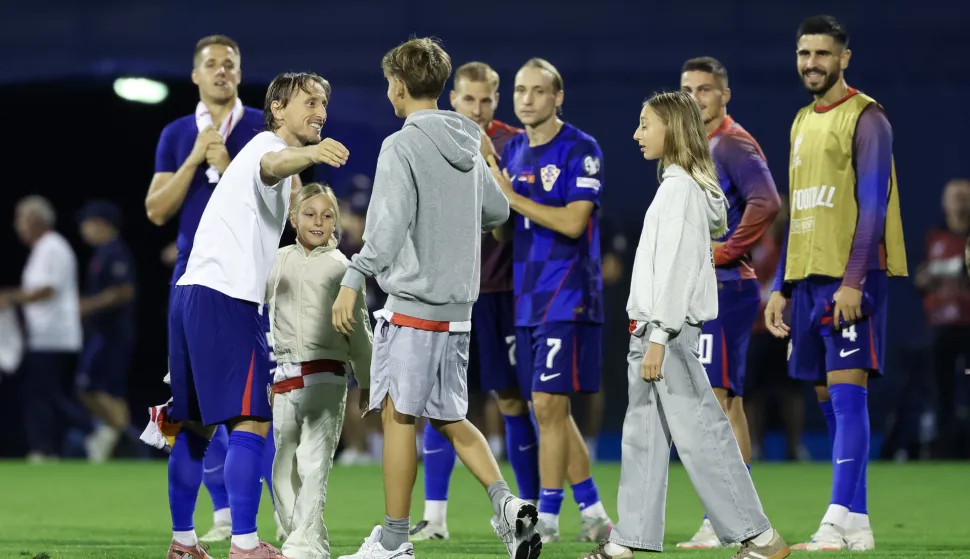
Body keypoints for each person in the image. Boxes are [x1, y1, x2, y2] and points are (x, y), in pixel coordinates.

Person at [331, 37, 540, 559]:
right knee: (449, 416)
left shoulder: (401, 144)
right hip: (460, 314)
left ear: (398, 86)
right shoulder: (469, 138)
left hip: (414, 308)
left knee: (399, 416)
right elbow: (498, 211)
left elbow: (384, 229)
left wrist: (354, 278)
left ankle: (395, 541)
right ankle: (508, 506)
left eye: (388, 85)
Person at [578, 91, 790, 559]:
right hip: (652, 335)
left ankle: (761, 538)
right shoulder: (681, 186)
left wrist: (658, 338)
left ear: (671, 129)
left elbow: (674, 272)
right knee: (643, 441)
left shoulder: (679, 192)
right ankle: (627, 540)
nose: (637, 134)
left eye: (645, 124)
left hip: (664, 336)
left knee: (702, 439)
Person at [164, 71, 349, 559]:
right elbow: (273, 163)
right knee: (251, 422)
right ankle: (245, 545)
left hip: (191, 294)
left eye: (324, 104)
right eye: (310, 101)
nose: (321, 112)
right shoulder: (264, 145)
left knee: (195, 427)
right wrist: (311, 153)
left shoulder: (279, 166)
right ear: (278, 108)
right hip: (227, 298)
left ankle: (184, 542)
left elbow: (288, 195)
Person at [764, 15, 907, 552]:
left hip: (852, 278)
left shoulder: (867, 119)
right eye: (804, 54)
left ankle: (835, 519)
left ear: (844, 58)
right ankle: (859, 522)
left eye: (823, 55)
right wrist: (780, 284)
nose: (812, 64)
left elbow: (873, 207)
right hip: (805, 280)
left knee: (849, 398)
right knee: (827, 397)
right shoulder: (801, 121)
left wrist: (853, 281)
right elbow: (797, 208)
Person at [146, 34, 284, 544]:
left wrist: (227, 164)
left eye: (231, 64)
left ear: (240, 73)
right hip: (196, 278)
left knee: (225, 409)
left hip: (245, 277)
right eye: (212, 64)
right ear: (196, 76)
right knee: (226, 410)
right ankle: (234, 525)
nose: (222, 71)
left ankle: (199, 536)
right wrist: (195, 158)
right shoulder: (178, 132)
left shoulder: (258, 129)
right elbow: (156, 210)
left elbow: (277, 211)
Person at [411, 60, 537, 542]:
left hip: (500, 289)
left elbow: (503, 229)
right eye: (468, 100)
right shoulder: (432, 136)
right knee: (435, 402)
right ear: (452, 98)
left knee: (509, 398)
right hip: (446, 291)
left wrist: (487, 161)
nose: (477, 110)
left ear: (496, 100)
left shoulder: (511, 144)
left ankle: (531, 515)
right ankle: (435, 519)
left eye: (486, 100)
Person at [488, 57, 613, 543]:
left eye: (538, 91)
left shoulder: (581, 149)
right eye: (520, 90)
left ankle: (550, 517)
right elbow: (504, 233)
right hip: (526, 300)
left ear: (557, 97)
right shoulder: (514, 151)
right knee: (548, 410)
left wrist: (511, 197)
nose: (526, 99)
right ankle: (594, 510)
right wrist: (494, 200)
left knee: (546, 403)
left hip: (568, 295)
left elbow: (573, 222)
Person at [676, 57, 782, 549]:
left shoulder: (733, 143)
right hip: (709, 287)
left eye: (704, 89)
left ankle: (722, 521)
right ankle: (734, 519)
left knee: (715, 402)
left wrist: (724, 251)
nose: (695, 97)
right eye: (687, 88)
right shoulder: (697, 147)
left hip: (726, 287)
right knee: (727, 402)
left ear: (725, 95)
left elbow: (766, 201)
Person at [267, 183, 373, 559]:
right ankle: (308, 539)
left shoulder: (344, 268)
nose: (318, 221)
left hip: (326, 375)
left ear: (336, 224)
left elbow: (359, 329)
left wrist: (370, 380)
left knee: (313, 464)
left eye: (327, 215)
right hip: (283, 376)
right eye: (309, 214)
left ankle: (302, 546)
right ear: (293, 218)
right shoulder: (276, 261)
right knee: (281, 468)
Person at [0, 196, 86, 463]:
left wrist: (11, 297)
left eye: (21, 220)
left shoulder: (52, 247)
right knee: (41, 395)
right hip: (42, 336)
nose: (18, 227)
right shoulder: (41, 249)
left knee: (45, 395)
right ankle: (46, 448)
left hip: (54, 337)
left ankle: (92, 431)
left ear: (36, 220)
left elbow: (46, 290)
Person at [75, 200, 139, 463]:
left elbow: (125, 290)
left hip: (112, 333)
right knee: (112, 393)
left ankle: (120, 434)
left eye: (86, 223)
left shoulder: (115, 252)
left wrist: (88, 305)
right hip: (106, 332)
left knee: (85, 385)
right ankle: (124, 441)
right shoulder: (102, 253)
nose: (82, 229)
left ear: (101, 224)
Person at [915, 178, 970, 459]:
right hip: (941, 327)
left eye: (964, 197)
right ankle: (944, 446)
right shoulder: (935, 237)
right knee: (942, 388)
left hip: (968, 325)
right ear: (945, 203)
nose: (959, 202)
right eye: (954, 197)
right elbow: (922, 278)